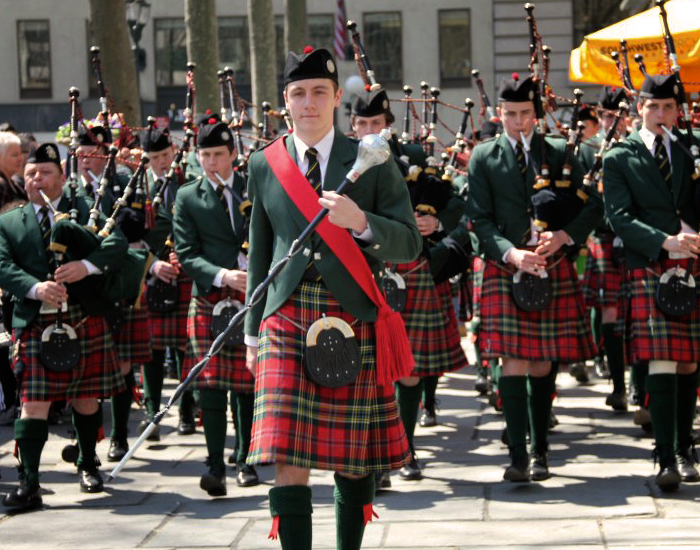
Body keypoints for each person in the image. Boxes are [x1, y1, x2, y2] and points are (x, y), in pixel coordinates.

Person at [243, 46, 421, 549]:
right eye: (298, 94)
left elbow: (409, 242)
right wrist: (252, 331)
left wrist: (361, 223)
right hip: (285, 316)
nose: (309, 103)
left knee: (353, 460)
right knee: (286, 458)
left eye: (319, 92)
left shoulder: (373, 157)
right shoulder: (265, 163)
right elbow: (260, 252)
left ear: (337, 98)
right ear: (285, 101)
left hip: (352, 312)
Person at [467, 74, 601, 482]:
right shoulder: (484, 157)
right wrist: (511, 252)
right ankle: (519, 456)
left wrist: (563, 237)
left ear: (536, 114)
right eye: (510, 114)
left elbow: (592, 205)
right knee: (513, 361)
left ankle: (542, 450)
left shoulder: (560, 150)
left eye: (525, 114)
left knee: (542, 364)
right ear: (499, 114)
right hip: (507, 266)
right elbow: (479, 219)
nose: (518, 122)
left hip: (552, 265)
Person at [0, 143, 127, 509]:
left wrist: (84, 267)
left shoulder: (83, 209)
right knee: (33, 402)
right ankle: (29, 481)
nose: (37, 180)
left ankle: (88, 464)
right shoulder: (9, 222)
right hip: (35, 321)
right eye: (30, 175)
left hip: (82, 315)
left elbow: (116, 243)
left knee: (86, 397)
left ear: (60, 177)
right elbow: (3, 265)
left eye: (45, 174)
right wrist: (36, 288)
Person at [350, 89, 468, 482]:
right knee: (371, 372)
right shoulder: (342, 161)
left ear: (388, 125)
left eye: (377, 124)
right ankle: (375, 454)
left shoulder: (415, 159)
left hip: (410, 271)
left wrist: (437, 224)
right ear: (353, 125)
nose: (370, 131)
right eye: (362, 124)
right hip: (361, 272)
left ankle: (407, 446)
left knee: (410, 369)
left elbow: (453, 201)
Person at [603, 73, 700, 491]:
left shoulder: (692, 149)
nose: (660, 115)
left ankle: (684, 447)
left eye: (668, 108)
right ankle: (665, 455)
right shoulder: (619, 156)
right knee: (662, 360)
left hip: (695, 261)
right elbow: (618, 217)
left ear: (678, 111)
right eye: (653, 107)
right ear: (638, 108)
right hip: (652, 263)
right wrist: (665, 241)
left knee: (690, 360)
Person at [173, 115, 256, 496]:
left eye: (218, 155)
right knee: (210, 384)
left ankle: (245, 458)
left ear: (233, 155)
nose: (211, 163)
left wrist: (252, 271)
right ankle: (214, 463)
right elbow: (187, 254)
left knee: (246, 382)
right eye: (205, 155)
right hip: (210, 296)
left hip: (251, 294)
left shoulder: (252, 188)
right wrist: (224, 275)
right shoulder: (188, 196)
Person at [141, 126, 196, 438]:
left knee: (183, 346)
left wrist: (182, 259)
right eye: (155, 157)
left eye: (165, 155)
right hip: (150, 273)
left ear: (173, 153)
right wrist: (153, 264)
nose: (162, 161)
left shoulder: (185, 184)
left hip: (182, 271)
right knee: (152, 349)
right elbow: (129, 236)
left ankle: (186, 409)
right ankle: (152, 412)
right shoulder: (137, 188)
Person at [579, 86, 630, 411]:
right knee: (609, 311)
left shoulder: (636, 146)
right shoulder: (589, 150)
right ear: (599, 118)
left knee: (640, 315)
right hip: (604, 237)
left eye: (618, 116)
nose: (613, 121)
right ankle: (618, 385)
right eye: (607, 116)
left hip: (637, 239)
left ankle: (638, 385)